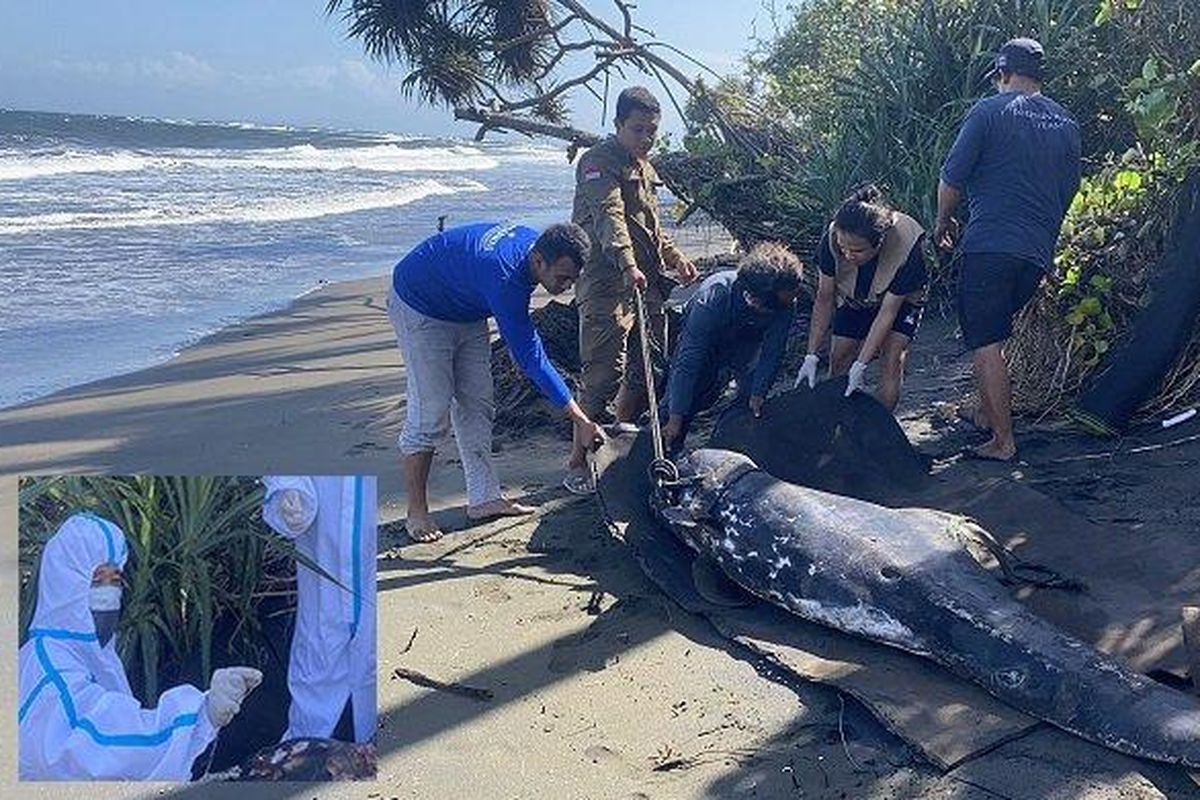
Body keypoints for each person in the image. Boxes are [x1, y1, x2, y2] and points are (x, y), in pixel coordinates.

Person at [390, 221, 604, 539]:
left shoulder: (540, 246)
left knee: (477, 403)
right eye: (562, 278)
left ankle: (484, 498)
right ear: (538, 262)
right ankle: (416, 512)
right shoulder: (505, 279)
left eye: (573, 279)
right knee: (430, 414)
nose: (567, 287)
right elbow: (531, 358)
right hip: (419, 304)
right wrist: (580, 418)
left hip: (465, 306)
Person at [18, 512, 262, 781]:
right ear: (68, 583)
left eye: (115, 580)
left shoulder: (88, 655)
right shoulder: (48, 667)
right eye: (98, 580)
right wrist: (201, 713)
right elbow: (97, 745)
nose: (109, 593)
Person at [936, 37, 1081, 461]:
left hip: (990, 246)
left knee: (986, 342)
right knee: (995, 332)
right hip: (1035, 253)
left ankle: (1002, 440)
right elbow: (1069, 190)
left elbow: (951, 182)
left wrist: (944, 223)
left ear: (1002, 73)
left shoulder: (987, 111)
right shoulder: (1067, 122)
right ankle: (985, 413)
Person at [572, 86, 700, 435]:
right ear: (618, 124)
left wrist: (675, 258)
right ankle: (578, 459)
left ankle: (620, 434)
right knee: (602, 374)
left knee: (647, 367)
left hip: (646, 282)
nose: (646, 139)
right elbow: (609, 216)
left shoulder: (644, 167)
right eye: (637, 130)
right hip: (607, 281)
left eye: (652, 132)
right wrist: (628, 265)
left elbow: (650, 226)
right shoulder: (597, 162)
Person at [262, 476, 377, 744]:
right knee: (317, 664)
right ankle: (301, 753)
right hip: (322, 558)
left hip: (374, 554)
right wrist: (287, 490)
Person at [794, 185, 928, 411]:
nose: (847, 255)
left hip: (900, 302)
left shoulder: (908, 244)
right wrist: (811, 355)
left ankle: (879, 428)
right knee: (839, 358)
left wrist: (861, 365)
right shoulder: (832, 239)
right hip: (854, 297)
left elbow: (888, 312)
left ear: (879, 243)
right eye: (843, 248)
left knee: (892, 358)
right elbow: (825, 298)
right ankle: (837, 423)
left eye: (857, 251)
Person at [662, 242, 802, 453]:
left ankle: (734, 445)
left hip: (747, 342)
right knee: (684, 400)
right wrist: (675, 416)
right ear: (756, 300)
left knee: (750, 397)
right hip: (705, 341)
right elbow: (688, 362)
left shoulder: (784, 300)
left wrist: (758, 393)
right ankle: (667, 446)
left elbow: (773, 350)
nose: (790, 304)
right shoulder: (713, 298)